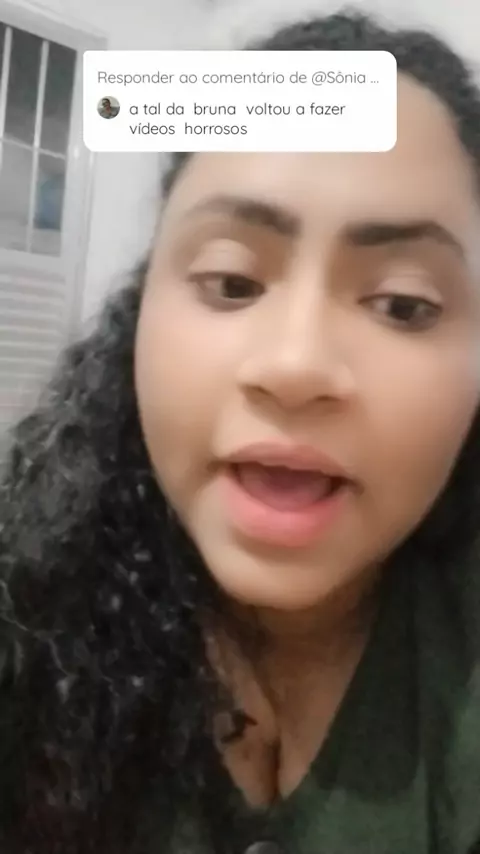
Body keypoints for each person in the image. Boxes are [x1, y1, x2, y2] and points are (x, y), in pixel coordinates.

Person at [1, 9, 480, 854]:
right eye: (231, 282)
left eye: (403, 304)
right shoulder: (25, 620)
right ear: (140, 315)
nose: (295, 365)